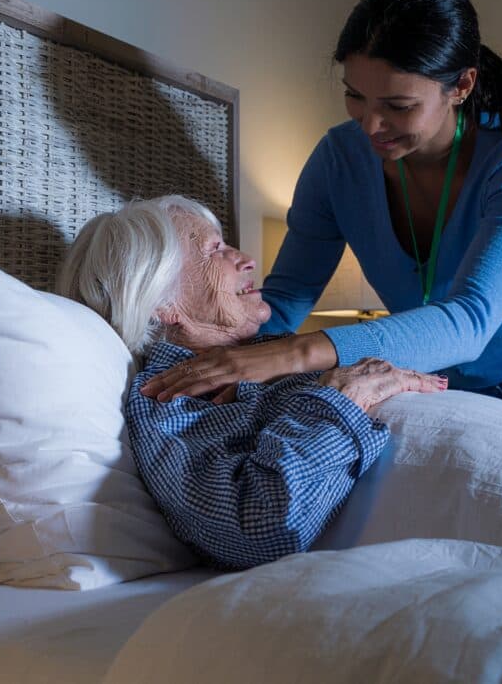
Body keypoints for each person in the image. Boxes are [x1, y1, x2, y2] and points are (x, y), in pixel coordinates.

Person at [140, 0, 502, 440]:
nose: (371, 126)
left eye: (398, 105)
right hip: (436, 364)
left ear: (462, 85)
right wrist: (188, 353)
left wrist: (291, 355)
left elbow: (472, 320)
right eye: (354, 96)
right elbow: (282, 305)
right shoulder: (336, 162)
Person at [56, 195, 446, 569]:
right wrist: (345, 399)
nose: (247, 259)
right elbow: (259, 528)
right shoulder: (175, 398)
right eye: (214, 250)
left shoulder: (265, 354)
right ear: (162, 302)